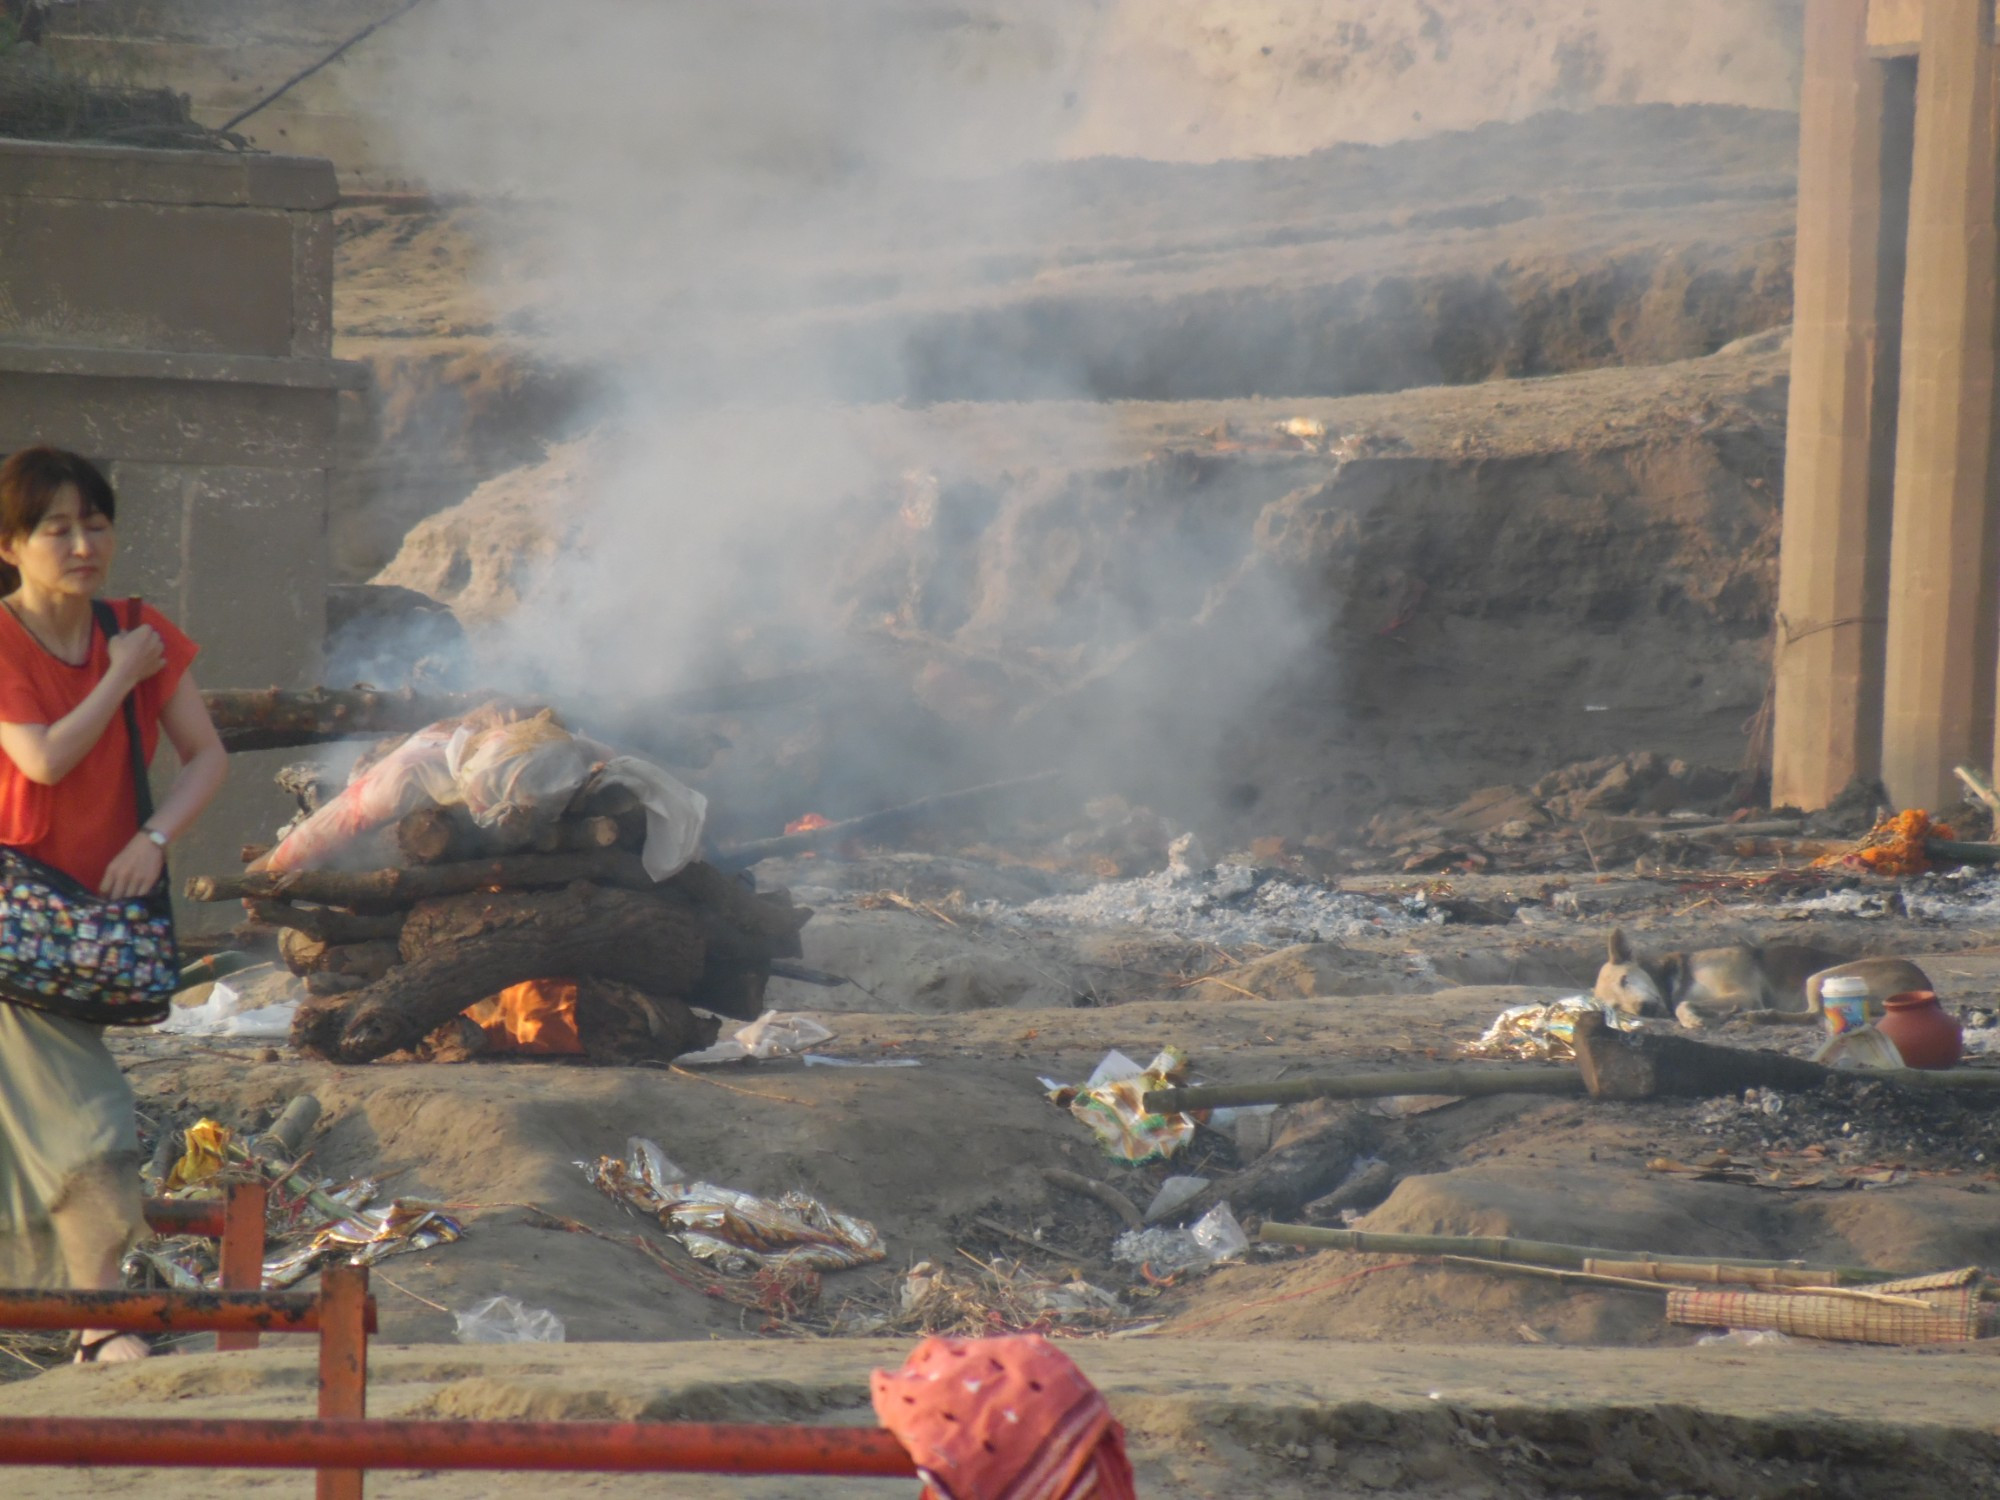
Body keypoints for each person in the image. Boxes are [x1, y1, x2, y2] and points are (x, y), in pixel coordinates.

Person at [0, 446, 226, 1362]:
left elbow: (206, 756)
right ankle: (96, 1326)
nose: (84, 543)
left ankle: (56, 1319)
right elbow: (43, 760)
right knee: (91, 1123)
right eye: (57, 528)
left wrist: (156, 837)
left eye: (96, 523)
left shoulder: (138, 628)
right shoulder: (11, 640)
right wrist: (117, 678)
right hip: (14, 923)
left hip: (87, 925)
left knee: (37, 1128)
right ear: (10, 544)